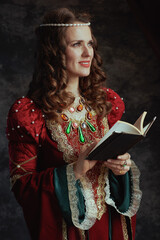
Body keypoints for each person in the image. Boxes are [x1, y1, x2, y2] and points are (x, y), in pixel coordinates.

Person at [6, 8, 142, 240]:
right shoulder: (30, 113)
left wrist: (121, 168)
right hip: (66, 230)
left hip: (109, 227)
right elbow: (23, 187)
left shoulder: (106, 103)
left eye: (90, 43)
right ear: (54, 52)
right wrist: (75, 171)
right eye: (77, 44)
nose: (87, 52)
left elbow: (108, 175)